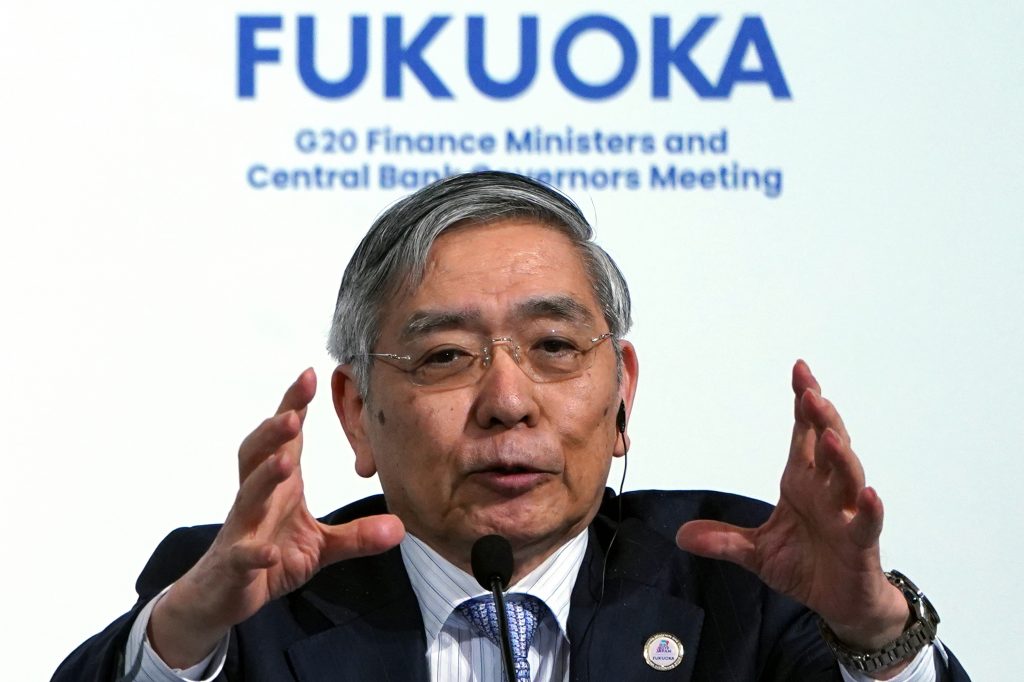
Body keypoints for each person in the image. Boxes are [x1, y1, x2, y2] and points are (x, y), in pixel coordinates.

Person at [54, 171, 969, 681]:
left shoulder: (751, 590)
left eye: (555, 347)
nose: (508, 401)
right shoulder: (235, 610)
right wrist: (179, 642)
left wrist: (871, 632)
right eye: (446, 356)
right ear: (355, 416)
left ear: (621, 399)